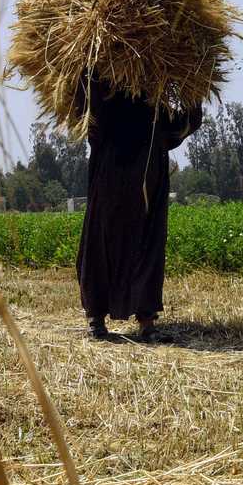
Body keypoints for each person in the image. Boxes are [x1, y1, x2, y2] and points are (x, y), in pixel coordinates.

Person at [74, 73, 202, 340]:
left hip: (140, 182)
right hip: (115, 181)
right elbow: (86, 114)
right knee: (112, 244)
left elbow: (182, 127)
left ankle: (136, 320)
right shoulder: (109, 100)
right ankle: (105, 319)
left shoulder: (151, 109)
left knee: (140, 246)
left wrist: (196, 88)